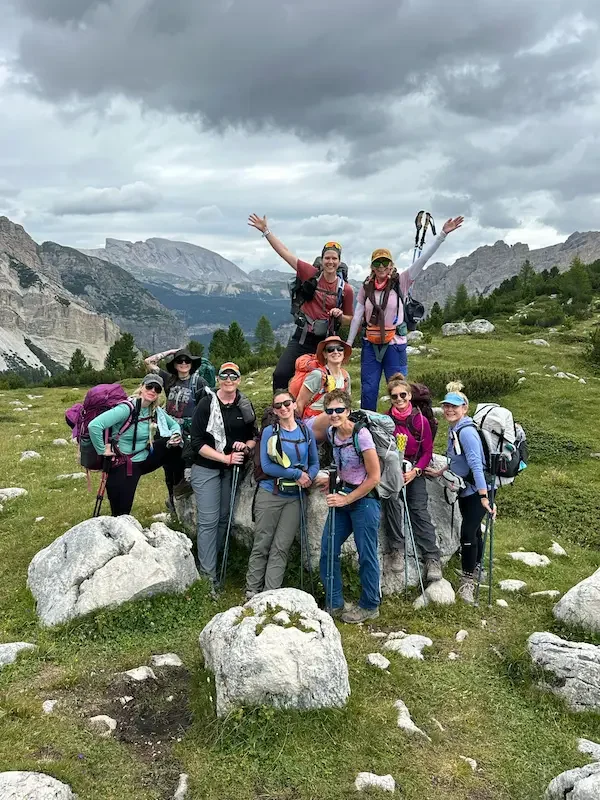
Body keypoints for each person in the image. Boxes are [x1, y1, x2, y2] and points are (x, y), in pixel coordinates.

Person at [347, 217, 464, 411]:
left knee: (399, 389)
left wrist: (442, 235)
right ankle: (367, 428)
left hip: (395, 345)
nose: (382, 266)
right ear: (372, 267)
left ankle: (401, 424)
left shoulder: (402, 281)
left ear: (391, 265)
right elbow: (358, 316)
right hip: (370, 344)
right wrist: (349, 345)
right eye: (377, 263)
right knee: (368, 389)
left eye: (385, 262)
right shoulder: (366, 287)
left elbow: (423, 259)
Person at [248, 213, 354, 391]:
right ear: (322, 260)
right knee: (281, 374)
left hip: (328, 341)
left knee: (327, 383)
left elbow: (350, 318)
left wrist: (340, 315)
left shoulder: (346, 289)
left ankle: (326, 415)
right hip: (303, 337)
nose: (330, 261)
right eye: (327, 258)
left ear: (339, 261)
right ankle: (281, 410)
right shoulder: (309, 273)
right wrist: (266, 231)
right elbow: (285, 254)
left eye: (334, 258)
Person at [425, 381, 495, 604]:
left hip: (477, 490)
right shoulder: (456, 428)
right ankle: (477, 567)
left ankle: (468, 583)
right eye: (446, 406)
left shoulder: (466, 432)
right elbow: (456, 459)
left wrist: (484, 497)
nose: (449, 410)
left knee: (467, 533)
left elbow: (475, 464)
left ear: (465, 408)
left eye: (455, 406)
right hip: (468, 489)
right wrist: (440, 473)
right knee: (473, 532)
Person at [245, 389, 320, 598]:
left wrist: (309, 477)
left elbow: (314, 463)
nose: (284, 408)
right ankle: (252, 590)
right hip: (270, 493)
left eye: (287, 403)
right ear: (274, 411)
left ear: (295, 405)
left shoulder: (306, 432)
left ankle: (270, 593)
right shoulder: (270, 432)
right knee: (262, 543)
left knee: (281, 546)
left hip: (294, 498)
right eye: (278, 406)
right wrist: (297, 473)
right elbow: (267, 466)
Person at [315, 389, 381, 624]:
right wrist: (332, 482)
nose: (334, 415)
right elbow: (341, 465)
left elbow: (374, 477)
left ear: (348, 411)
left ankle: (370, 604)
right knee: (327, 549)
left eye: (339, 410)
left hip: (365, 500)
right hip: (342, 493)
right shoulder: (332, 434)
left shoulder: (361, 436)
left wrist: (346, 498)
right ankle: (334, 603)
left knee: (367, 554)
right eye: (330, 411)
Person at [190, 362, 257, 593]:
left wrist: (244, 447)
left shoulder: (244, 405)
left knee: (223, 519)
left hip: (231, 470)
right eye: (224, 375)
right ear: (218, 379)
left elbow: (252, 438)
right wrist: (225, 458)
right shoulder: (206, 403)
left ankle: (213, 564)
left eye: (234, 375)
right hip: (207, 467)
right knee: (208, 521)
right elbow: (197, 442)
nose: (229, 379)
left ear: (239, 379)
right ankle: (208, 578)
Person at [88, 374, 182, 516]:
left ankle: (179, 486)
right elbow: (94, 426)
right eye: (149, 386)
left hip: (143, 459)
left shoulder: (155, 410)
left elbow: (174, 424)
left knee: (176, 447)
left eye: (157, 389)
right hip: (122, 464)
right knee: (121, 513)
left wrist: (175, 435)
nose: (152, 391)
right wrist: (102, 450)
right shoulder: (126, 408)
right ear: (142, 387)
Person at [383, 373, 442, 582]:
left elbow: (427, 451)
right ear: (390, 398)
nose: (399, 400)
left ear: (409, 396)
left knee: (418, 508)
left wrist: (415, 471)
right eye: (394, 397)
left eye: (403, 395)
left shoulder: (422, 421)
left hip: (414, 470)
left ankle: (432, 558)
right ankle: (396, 549)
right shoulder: (385, 420)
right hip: (393, 470)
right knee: (391, 501)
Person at [144, 346, 210, 510]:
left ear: (191, 363)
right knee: (168, 467)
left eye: (187, 360)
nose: (183, 363)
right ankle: (173, 501)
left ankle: (184, 504)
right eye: (179, 361)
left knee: (183, 466)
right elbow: (148, 362)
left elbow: (207, 405)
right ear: (174, 364)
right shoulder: (168, 379)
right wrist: (170, 352)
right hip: (167, 429)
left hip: (188, 431)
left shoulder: (198, 382)